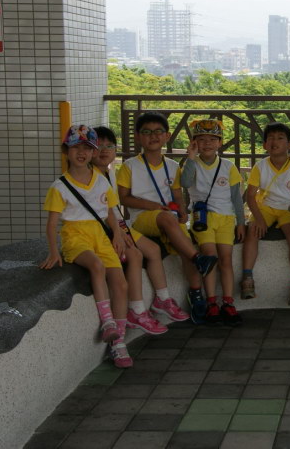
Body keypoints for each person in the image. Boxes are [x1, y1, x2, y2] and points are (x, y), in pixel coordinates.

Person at [40, 125, 132, 368]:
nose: (82, 153)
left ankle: (119, 343)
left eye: (87, 148)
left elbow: (110, 212)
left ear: (93, 152)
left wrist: (118, 236)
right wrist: (53, 251)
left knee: (121, 284)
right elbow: (52, 224)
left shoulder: (101, 180)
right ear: (66, 151)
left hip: (100, 236)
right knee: (96, 266)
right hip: (75, 236)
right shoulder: (59, 186)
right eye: (76, 147)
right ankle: (108, 322)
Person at [116, 112, 218, 325]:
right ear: (138, 137)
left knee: (186, 247)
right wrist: (152, 206)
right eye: (146, 132)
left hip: (167, 219)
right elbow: (123, 198)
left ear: (167, 136)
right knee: (168, 221)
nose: (153, 136)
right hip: (141, 219)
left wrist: (182, 211)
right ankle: (199, 260)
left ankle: (196, 294)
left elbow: (177, 196)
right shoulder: (129, 166)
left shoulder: (172, 166)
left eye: (158, 131)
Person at [92, 126, 189, 335]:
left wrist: (120, 229)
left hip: (119, 225)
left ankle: (162, 299)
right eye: (98, 146)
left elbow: (113, 210)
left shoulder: (108, 172)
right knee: (135, 255)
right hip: (104, 231)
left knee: (153, 250)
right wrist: (118, 233)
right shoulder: (92, 176)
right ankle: (136, 310)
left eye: (110, 146)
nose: (104, 150)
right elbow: (100, 213)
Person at [241, 123, 290, 306]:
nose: (275, 142)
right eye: (271, 138)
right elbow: (250, 196)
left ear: (289, 144)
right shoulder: (260, 166)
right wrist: (258, 219)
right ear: (265, 145)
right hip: (265, 207)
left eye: (280, 138)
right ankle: (247, 278)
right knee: (252, 232)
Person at [181, 119, 245, 326]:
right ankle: (211, 303)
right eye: (201, 139)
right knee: (209, 257)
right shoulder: (191, 164)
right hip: (203, 219)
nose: (207, 143)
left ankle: (228, 302)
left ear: (220, 143)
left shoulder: (228, 166)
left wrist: (241, 222)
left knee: (226, 260)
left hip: (226, 218)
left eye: (212, 139)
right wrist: (190, 157)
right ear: (194, 143)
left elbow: (236, 198)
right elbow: (184, 182)